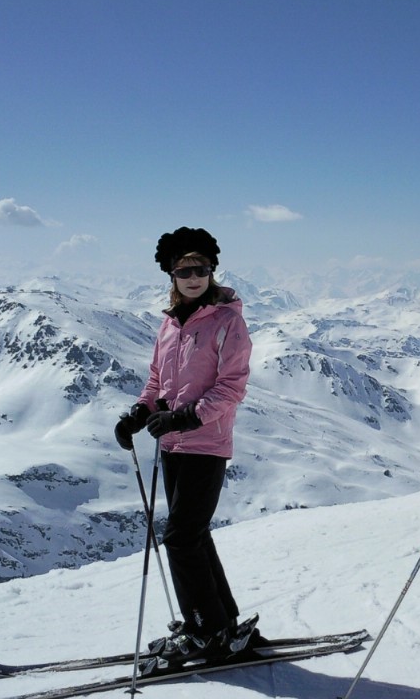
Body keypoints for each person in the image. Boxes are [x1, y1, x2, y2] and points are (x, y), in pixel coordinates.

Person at [114, 226, 253, 665]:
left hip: (205, 442)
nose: (194, 276)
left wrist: (188, 416)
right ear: (171, 275)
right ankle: (222, 621)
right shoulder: (170, 324)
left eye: (202, 269)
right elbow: (158, 381)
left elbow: (232, 386)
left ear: (212, 271)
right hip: (172, 444)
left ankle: (203, 629)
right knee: (192, 534)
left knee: (179, 538)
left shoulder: (227, 321)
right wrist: (140, 412)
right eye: (184, 270)